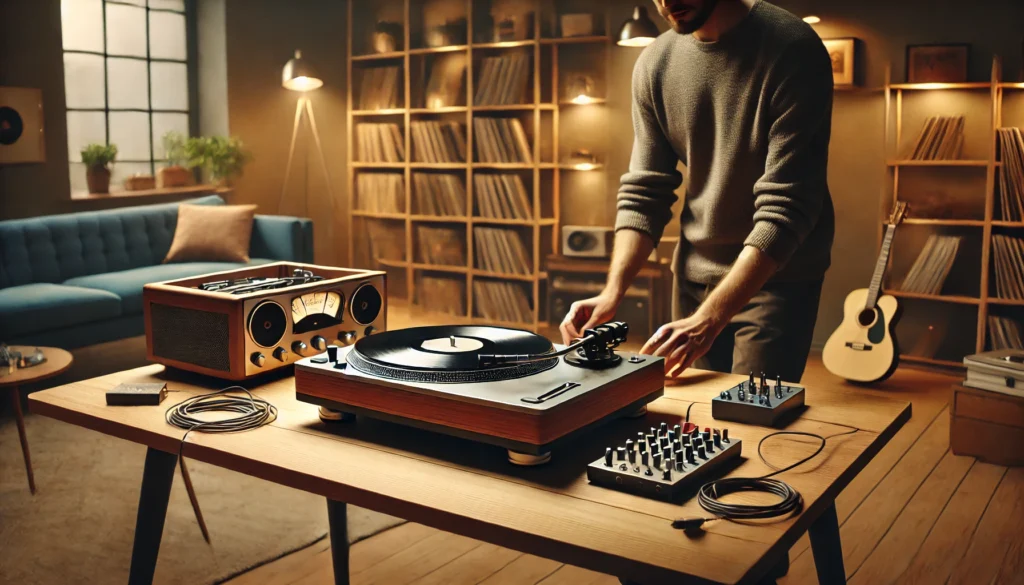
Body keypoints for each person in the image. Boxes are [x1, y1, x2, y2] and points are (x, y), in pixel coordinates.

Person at [559, 0, 835, 383]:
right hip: (694, 274)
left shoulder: (793, 48)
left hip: (776, 277)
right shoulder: (655, 63)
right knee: (695, 416)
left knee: (751, 419)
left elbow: (788, 206)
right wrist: (612, 293)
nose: (667, 2)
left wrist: (711, 317)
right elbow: (645, 191)